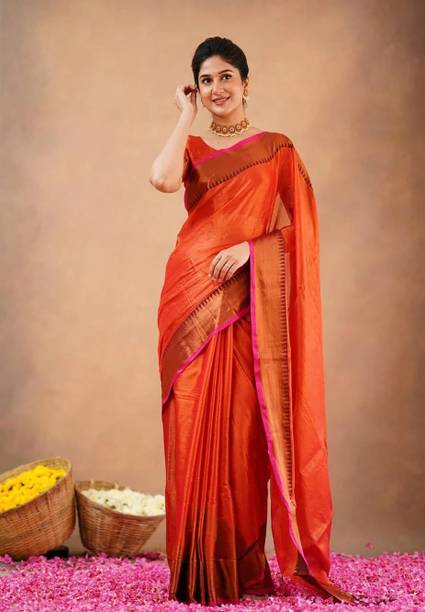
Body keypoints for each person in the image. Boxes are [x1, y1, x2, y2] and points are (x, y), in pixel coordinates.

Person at [149, 36, 357, 607]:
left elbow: (300, 231)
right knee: (191, 428)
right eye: (206, 80)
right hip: (189, 297)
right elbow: (162, 179)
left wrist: (251, 250)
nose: (217, 88)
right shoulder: (192, 145)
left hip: (246, 307)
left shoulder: (276, 150)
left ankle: (234, 569)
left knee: (241, 438)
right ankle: (193, 568)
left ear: (246, 81)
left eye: (226, 77)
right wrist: (184, 115)